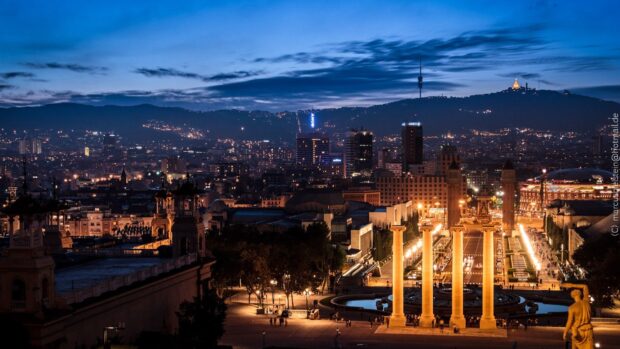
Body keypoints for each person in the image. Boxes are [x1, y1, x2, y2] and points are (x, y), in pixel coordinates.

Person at [562, 283, 594, 349]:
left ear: (572, 296)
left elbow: (569, 322)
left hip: (579, 332)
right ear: (580, 294)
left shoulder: (572, 308)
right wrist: (572, 285)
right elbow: (585, 286)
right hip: (589, 330)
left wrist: (565, 332)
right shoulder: (586, 302)